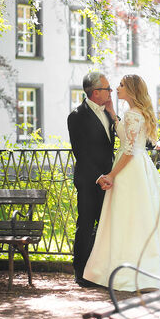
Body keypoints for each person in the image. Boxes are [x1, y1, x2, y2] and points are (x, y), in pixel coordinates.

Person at [83, 74, 160, 291]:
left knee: (128, 218)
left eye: (121, 85)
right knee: (139, 218)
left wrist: (111, 175)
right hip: (141, 168)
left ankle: (128, 268)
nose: (117, 88)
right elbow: (132, 137)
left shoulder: (132, 114)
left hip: (129, 169)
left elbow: (129, 150)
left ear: (130, 90)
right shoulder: (133, 113)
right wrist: (112, 112)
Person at [67, 72, 116, 287]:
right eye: (107, 88)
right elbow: (81, 153)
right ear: (95, 92)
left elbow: (127, 137)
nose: (111, 91)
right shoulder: (76, 116)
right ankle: (81, 273)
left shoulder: (108, 113)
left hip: (110, 180)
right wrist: (98, 177)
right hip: (89, 180)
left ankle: (101, 271)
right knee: (86, 225)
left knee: (106, 226)